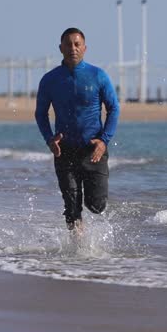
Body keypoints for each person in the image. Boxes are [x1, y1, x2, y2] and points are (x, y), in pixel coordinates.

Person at [35, 27, 120, 232]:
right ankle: (78, 252)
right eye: (68, 44)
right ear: (60, 48)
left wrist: (104, 140)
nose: (73, 48)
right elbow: (40, 113)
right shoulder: (50, 79)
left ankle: (88, 228)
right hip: (64, 150)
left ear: (84, 48)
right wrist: (49, 139)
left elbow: (114, 108)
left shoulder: (97, 75)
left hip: (93, 149)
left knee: (96, 206)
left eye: (77, 44)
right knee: (72, 206)